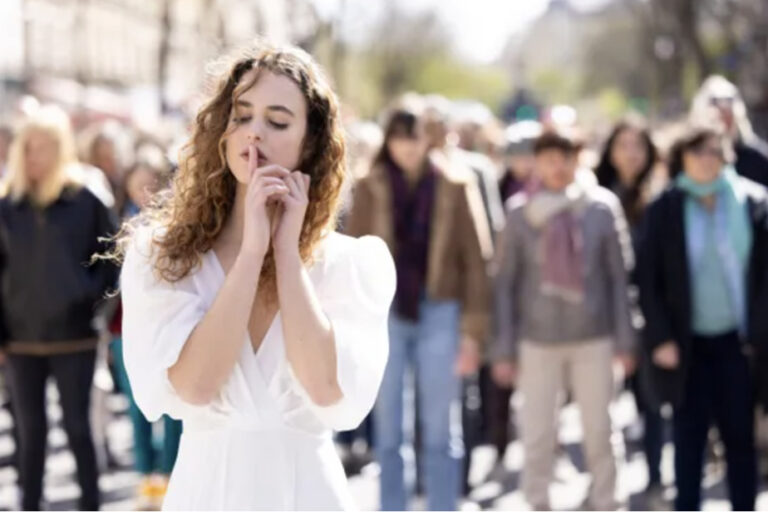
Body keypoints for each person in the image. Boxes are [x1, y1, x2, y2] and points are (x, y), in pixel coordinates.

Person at [115, 41, 395, 510]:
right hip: (209, 490)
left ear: (310, 143)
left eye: (278, 121)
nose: (254, 134)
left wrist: (285, 251)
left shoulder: (351, 264)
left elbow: (327, 391)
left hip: (308, 492)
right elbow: (196, 385)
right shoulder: (163, 256)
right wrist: (250, 254)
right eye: (241, 116)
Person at [344, 97, 490, 511]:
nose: (408, 146)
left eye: (417, 136)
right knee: (390, 429)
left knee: (442, 428)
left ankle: (443, 505)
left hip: (439, 308)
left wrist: (473, 334)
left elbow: (476, 261)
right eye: (400, 137)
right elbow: (352, 257)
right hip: (385, 313)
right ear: (388, 140)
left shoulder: (455, 184)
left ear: (431, 139)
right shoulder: (369, 186)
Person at [491, 131, 636, 511]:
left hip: (595, 336)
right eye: (549, 159)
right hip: (537, 340)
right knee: (537, 434)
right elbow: (505, 284)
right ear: (536, 162)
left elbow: (619, 278)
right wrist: (503, 350)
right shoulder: (521, 213)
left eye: (565, 158)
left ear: (578, 160)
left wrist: (626, 340)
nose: (558, 167)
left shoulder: (601, 208)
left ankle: (607, 501)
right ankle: (538, 502)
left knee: (600, 431)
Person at [638, 126, 768, 511]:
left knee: (740, 441)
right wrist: (660, 338)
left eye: (714, 152)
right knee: (688, 441)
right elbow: (647, 279)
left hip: (739, 344)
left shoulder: (753, 201)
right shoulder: (665, 208)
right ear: (683, 159)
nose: (706, 160)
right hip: (686, 345)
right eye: (697, 153)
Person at [0, 105, 117, 510]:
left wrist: (91, 310)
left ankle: (91, 504)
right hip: (21, 341)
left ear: (60, 148)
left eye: (45, 146)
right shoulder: (5, 207)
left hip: (75, 338)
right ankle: (29, 504)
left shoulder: (86, 200)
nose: (35, 155)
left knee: (78, 429)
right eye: (28, 146)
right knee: (29, 435)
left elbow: (112, 264)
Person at [594, 118, 668, 507]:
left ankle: (655, 478)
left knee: (652, 402)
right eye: (623, 144)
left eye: (638, 145)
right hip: (602, 315)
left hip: (650, 313)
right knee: (600, 407)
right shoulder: (595, 194)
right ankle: (604, 484)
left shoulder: (662, 196)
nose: (630, 153)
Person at [109, 161, 180, 509]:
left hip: (164, 330)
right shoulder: (115, 221)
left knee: (172, 411)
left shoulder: (178, 226)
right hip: (123, 329)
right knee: (137, 408)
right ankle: (145, 479)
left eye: (151, 184)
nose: (145, 192)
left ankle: (169, 476)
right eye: (138, 184)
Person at [690, 75, 768, 188]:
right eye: (717, 118)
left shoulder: (757, 159)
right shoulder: (690, 158)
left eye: (728, 116)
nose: (722, 125)